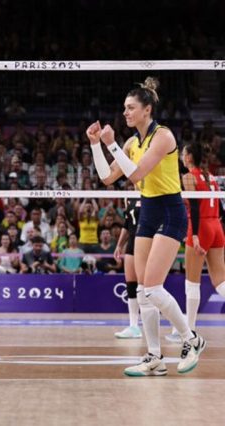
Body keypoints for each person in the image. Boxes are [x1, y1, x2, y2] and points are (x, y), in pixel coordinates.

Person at [88, 76, 205, 376]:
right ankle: (154, 356)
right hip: (148, 212)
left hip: (170, 211)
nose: (125, 113)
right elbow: (106, 178)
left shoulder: (164, 137)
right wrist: (95, 146)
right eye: (124, 108)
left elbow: (136, 173)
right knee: (143, 290)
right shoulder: (131, 142)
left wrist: (111, 143)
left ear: (147, 110)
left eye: (130, 108)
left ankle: (191, 339)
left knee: (153, 288)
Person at [166, 142, 225, 342]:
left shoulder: (189, 176)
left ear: (190, 157)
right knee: (220, 281)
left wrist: (197, 235)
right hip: (217, 226)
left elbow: (194, 207)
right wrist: (214, 227)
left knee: (192, 283)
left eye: (183, 154)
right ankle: (187, 328)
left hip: (200, 228)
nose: (182, 157)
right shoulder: (211, 178)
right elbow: (221, 210)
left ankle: (189, 331)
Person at [113, 198, 143, 339]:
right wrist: (119, 245)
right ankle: (134, 326)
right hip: (132, 242)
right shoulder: (128, 197)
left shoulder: (153, 192)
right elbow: (127, 223)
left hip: (147, 241)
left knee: (151, 287)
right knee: (131, 284)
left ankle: (180, 321)